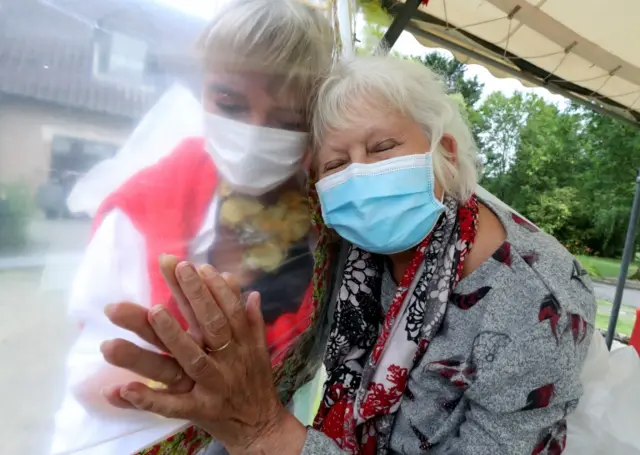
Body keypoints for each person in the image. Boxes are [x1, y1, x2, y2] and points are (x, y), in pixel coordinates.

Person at [100, 56, 597, 455]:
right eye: (336, 164)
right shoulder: (350, 250)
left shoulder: (537, 306)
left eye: (382, 147)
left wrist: (266, 434)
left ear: (444, 153)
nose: (358, 178)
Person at [51, 1, 335, 454]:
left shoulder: (328, 229)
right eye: (229, 102)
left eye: (288, 122)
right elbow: (90, 374)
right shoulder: (144, 208)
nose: (254, 132)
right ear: (202, 87)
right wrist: (203, 392)